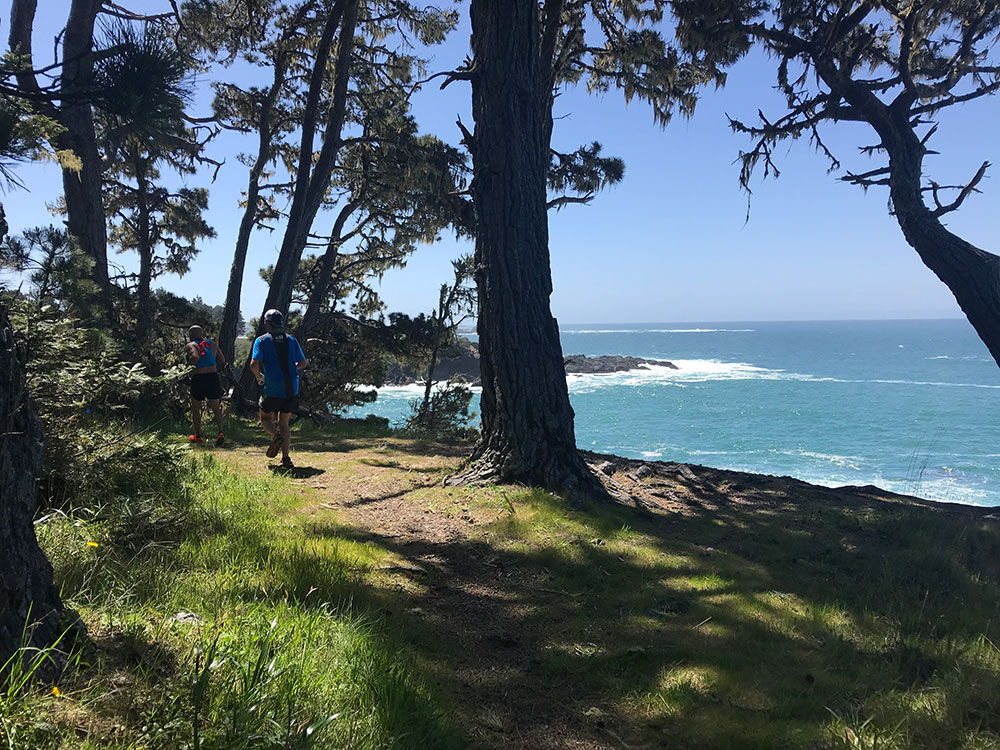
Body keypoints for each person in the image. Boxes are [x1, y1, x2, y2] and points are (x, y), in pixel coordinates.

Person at [249, 309, 307, 468]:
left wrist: (259, 377)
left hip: (273, 388)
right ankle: (286, 458)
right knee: (284, 423)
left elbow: (254, 364)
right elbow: (303, 363)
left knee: (265, 419)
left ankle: (276, 437)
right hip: (291, 389)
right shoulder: (291, 339)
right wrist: (293, 369)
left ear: (267, 323)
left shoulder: (262, 340)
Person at [186, 325, 227, 446]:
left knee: (196, 408)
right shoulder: (212, 344)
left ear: (191, 335)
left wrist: (187, 368)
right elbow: (222, 360)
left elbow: (194, 357)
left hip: (199, 378)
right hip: (212, 377)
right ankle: (220, 431)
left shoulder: (191, 345)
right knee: (215, 406)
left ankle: (198, 435)